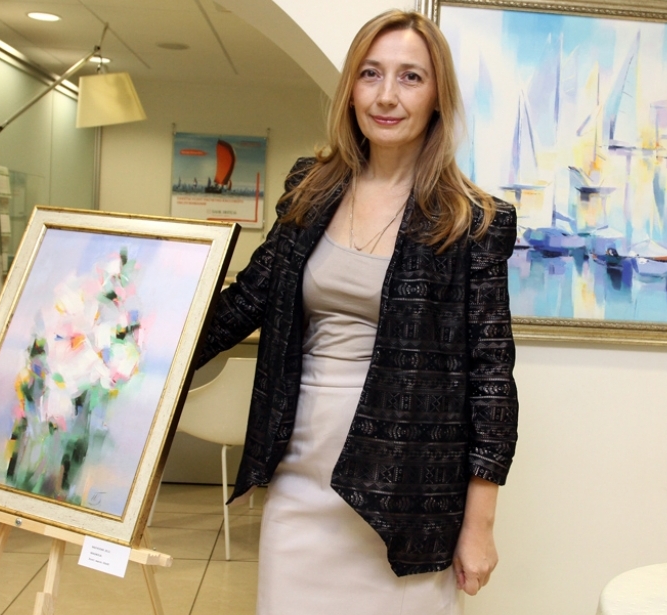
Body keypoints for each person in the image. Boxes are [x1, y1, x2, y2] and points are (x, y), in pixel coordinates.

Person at [196, 9, 518, 615]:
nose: (386, 95)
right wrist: (140, 344)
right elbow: (246, 300)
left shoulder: (472, 220)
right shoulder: (309, 187)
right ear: (350, 89)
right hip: (298, 476)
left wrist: (480, 526)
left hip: (409, 492)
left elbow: (492, 381)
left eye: (410, 77)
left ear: (438, 96)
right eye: (371, 74)